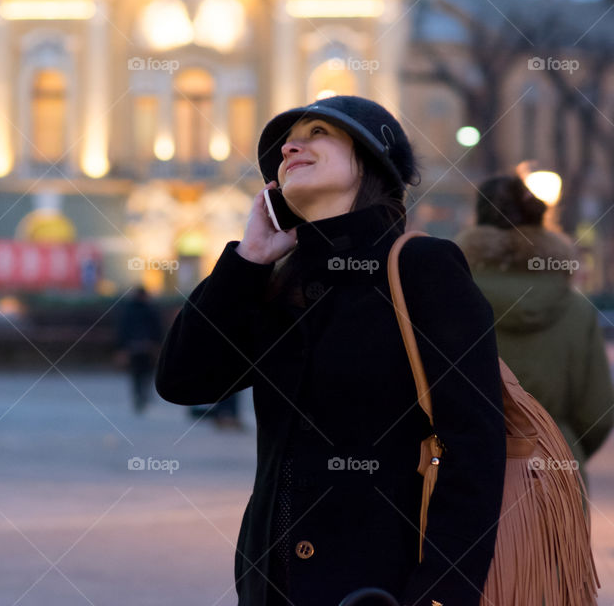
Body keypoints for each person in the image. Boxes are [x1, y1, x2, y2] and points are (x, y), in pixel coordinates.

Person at [155, 95, 506, 605]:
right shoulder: (280, 288)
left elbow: (474, 446)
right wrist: (249, 259)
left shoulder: (422, 269)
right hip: (273, 587)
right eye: (286, 144)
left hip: (385, 586)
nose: (292, 145)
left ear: (372, 159)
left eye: (318, 132)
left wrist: (440, 593)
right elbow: (183, 381)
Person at [455, 175, 614, 477]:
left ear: (476, 224)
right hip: (557, 475)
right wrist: (565, 447)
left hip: (471, 474)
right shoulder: (576, 311)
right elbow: (598, 412)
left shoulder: (453, 303)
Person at [116, 286, 163, 414]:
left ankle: (140, 395)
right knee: (144, 373)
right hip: (146, 346)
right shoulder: (150, 309)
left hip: (135, 346)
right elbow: (157, 329)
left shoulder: (128, 310)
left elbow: (123, 330)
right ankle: (142, 395)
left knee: (138, 373)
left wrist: (123, 347)